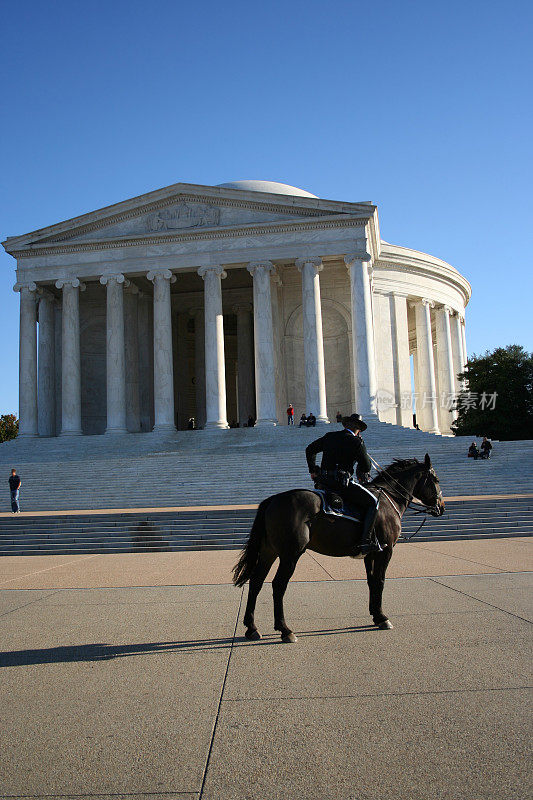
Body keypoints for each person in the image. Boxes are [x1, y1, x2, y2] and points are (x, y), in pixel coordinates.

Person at [305, 413, 381, 555]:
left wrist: (313, 470)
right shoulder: (356, 442)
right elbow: (366, 467)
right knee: (374, 503)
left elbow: (310, 450)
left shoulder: (330, 436)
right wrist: (361, 446)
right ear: (358, 429)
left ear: (346, 425)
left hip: (323, 483)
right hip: (342, 485)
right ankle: (365, 541)